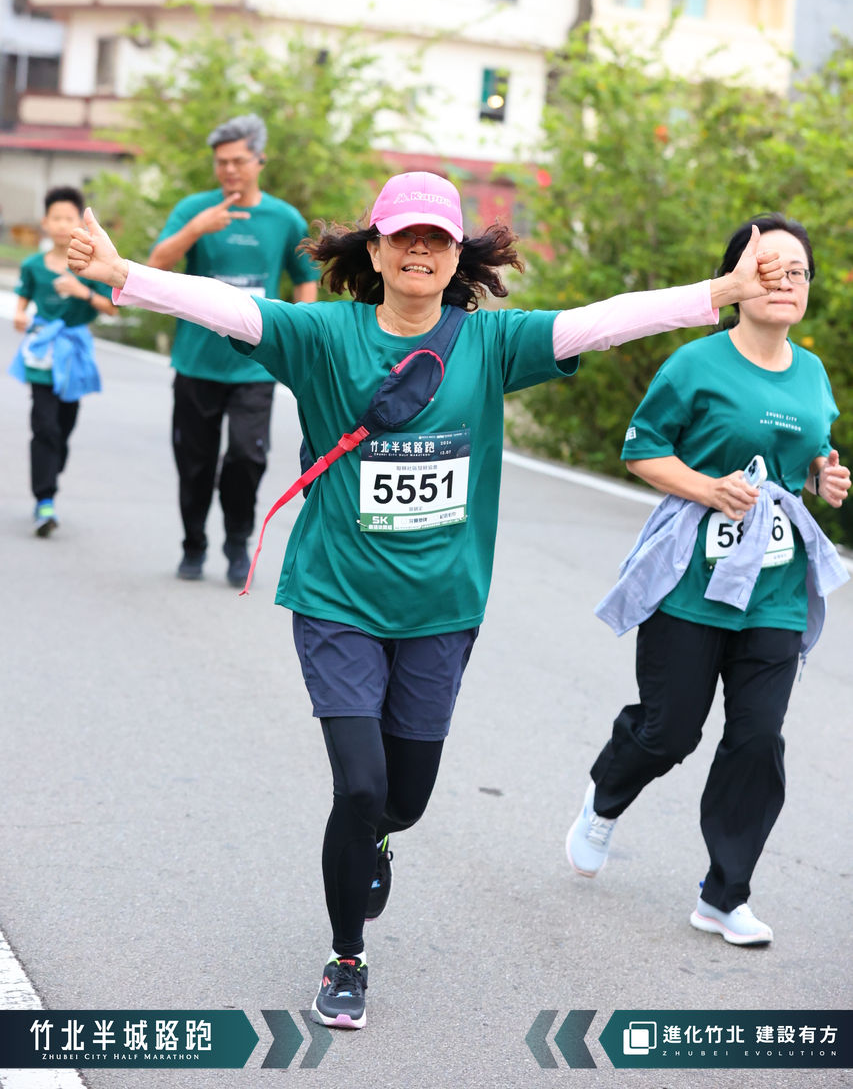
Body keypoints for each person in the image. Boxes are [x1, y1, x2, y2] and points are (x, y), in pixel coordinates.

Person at [68, 172, 783, 1028]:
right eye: (402, 236)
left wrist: (718, 292)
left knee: (401, 801)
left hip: (441, 612)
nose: (418, 249)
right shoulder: (322, 335)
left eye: (435, 238)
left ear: (455, 256)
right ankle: (346, 957)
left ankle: (375, 838)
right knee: (359, 786)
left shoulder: (490, 344)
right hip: (336, 599)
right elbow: (228, 308)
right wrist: (124, 272)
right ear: (373, 251)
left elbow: (604, 319)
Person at [566, 213, 850, 948]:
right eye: (771, 268)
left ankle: (724, 895)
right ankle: (605, 797)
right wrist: (707, 488)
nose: (786, 282)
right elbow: (642, 449)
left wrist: (821, 477)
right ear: (738, 279)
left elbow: (809, 453)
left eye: (798, 272)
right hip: (689, 579)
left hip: (775, 588)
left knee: (758, 741)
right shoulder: (694, 364)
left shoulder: (813, 373)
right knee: (669, 732)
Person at [148, 113, 319, 586]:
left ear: (259, 161)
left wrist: (302, 337)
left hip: (255, 367)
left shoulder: (284, 219)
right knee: (195, 463)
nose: (228, 170)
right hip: (197, 363)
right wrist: (197, 229)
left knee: (247, 457)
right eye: (221, 162)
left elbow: (305, 279)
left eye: (238, 161)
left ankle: (237, 542)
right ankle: (193, 543)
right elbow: (156, 265)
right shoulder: (194, 209)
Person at [9, 185, 117, 537]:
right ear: (45, 222)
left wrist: (82, 291)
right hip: (43, 350)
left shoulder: (91, 266)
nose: (60, 225)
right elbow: (23, 296)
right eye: (55, 218)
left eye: (68, 218)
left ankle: (50, 473)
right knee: (45, 426)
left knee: (63, 427)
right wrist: (20, 315)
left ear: (80, 225)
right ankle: (45, 501)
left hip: (75, 353)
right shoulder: (33, 265)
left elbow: (112, 308)